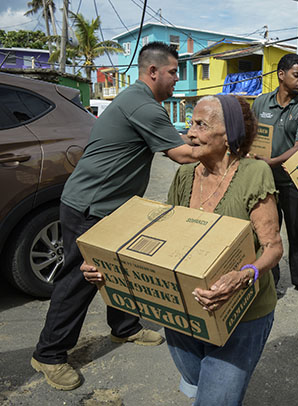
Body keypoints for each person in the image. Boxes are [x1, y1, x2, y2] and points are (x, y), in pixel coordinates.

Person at [84, 95, 282, 405]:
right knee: (197, 384)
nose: (190, 133)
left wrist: (244, 275)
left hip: (243, 315)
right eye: (191, 123)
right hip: (185, 310)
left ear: (229, 134)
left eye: (201, 125)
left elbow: (272, 248)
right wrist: (109, 266)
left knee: (214, 400)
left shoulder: (255, 175)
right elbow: (165, 240)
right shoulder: (186, 175)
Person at [30, 42, 202, 391]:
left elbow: (177, 139)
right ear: (153, 72)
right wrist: (229, 145)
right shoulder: (143, 105)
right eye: (172, 73)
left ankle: (124, 328)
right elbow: (182, 155)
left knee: (120, 268)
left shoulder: (138, 101)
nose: (175, 80)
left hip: (113, 207)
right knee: (79, 281)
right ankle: (48, 354)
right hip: (90, 206)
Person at [251, 54, 298, 297]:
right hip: (264, 181)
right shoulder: (261, 103)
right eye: (297, 75)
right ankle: (271, 280)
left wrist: (271, 161)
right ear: (281, 74)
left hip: (294, 181)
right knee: (267, 232)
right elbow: (252, 135)